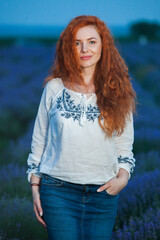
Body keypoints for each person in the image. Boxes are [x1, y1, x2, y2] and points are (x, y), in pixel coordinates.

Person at [26, 15, 136, 240]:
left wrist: (122, 178)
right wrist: (35, 187)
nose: (85, 48)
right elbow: (39, 141)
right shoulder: (54, 89)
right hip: (57, 192)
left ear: (103, 45)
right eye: (77, 43)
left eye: (92, 41)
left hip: (103, 192)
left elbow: (124, 146)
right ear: (69, 49)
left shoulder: (119, 91)